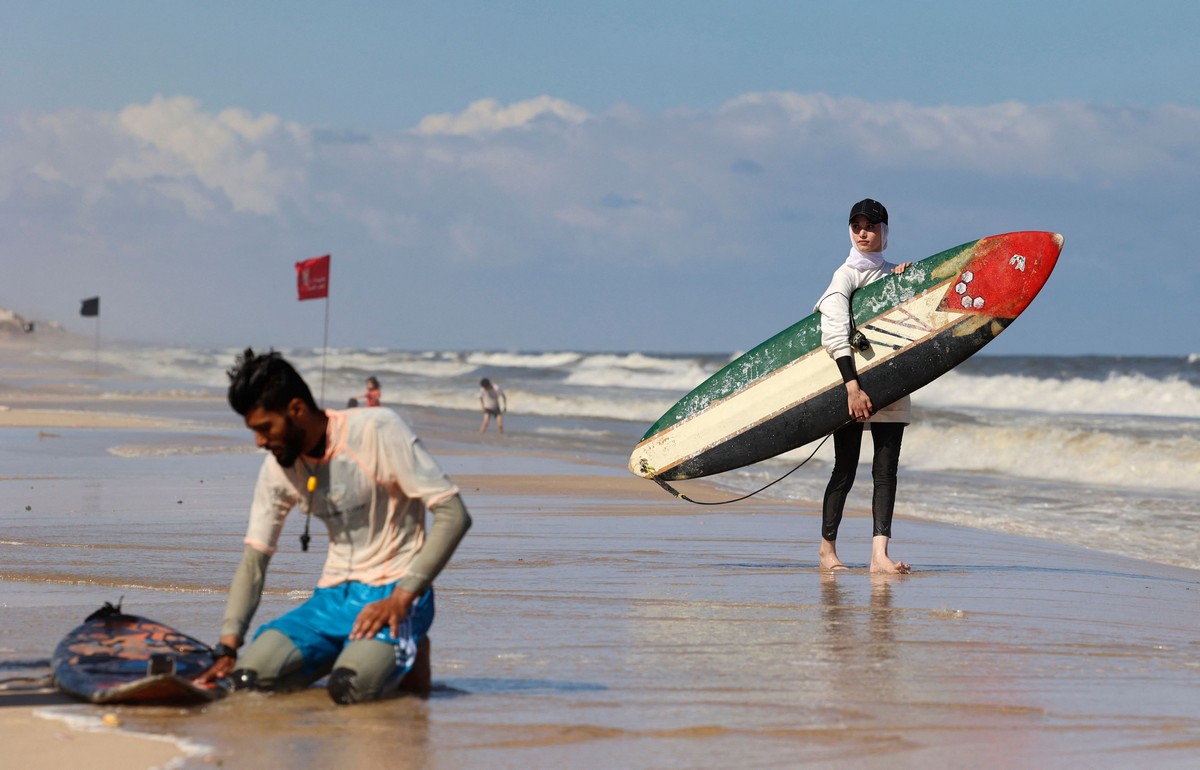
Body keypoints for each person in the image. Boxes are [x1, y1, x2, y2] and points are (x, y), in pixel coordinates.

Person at [195, 349, 471, 704]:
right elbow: (255, 559)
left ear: (295, 409)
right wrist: (227, 644)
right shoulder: (278, 468)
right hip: (332, 597)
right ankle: (358, 653)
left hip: (395, 591)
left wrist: (403, 598)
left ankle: (409, 646)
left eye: (265, 428)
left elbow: (454, 514)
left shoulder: (377, 430)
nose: (260, 442)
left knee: (349, 689)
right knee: (247, 680)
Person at [814, 199, 912, 574]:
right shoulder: (845, 277)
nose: (863, 232)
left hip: (891, 383)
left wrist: (904, 282)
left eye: (871, 226)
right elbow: (835, 334)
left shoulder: (894, 276)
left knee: (886, 471)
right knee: (846, 468)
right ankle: (827, 551)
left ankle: (878, 557)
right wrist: (852, 388)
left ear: (885, 230)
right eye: (856, 226)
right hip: (852, 384)